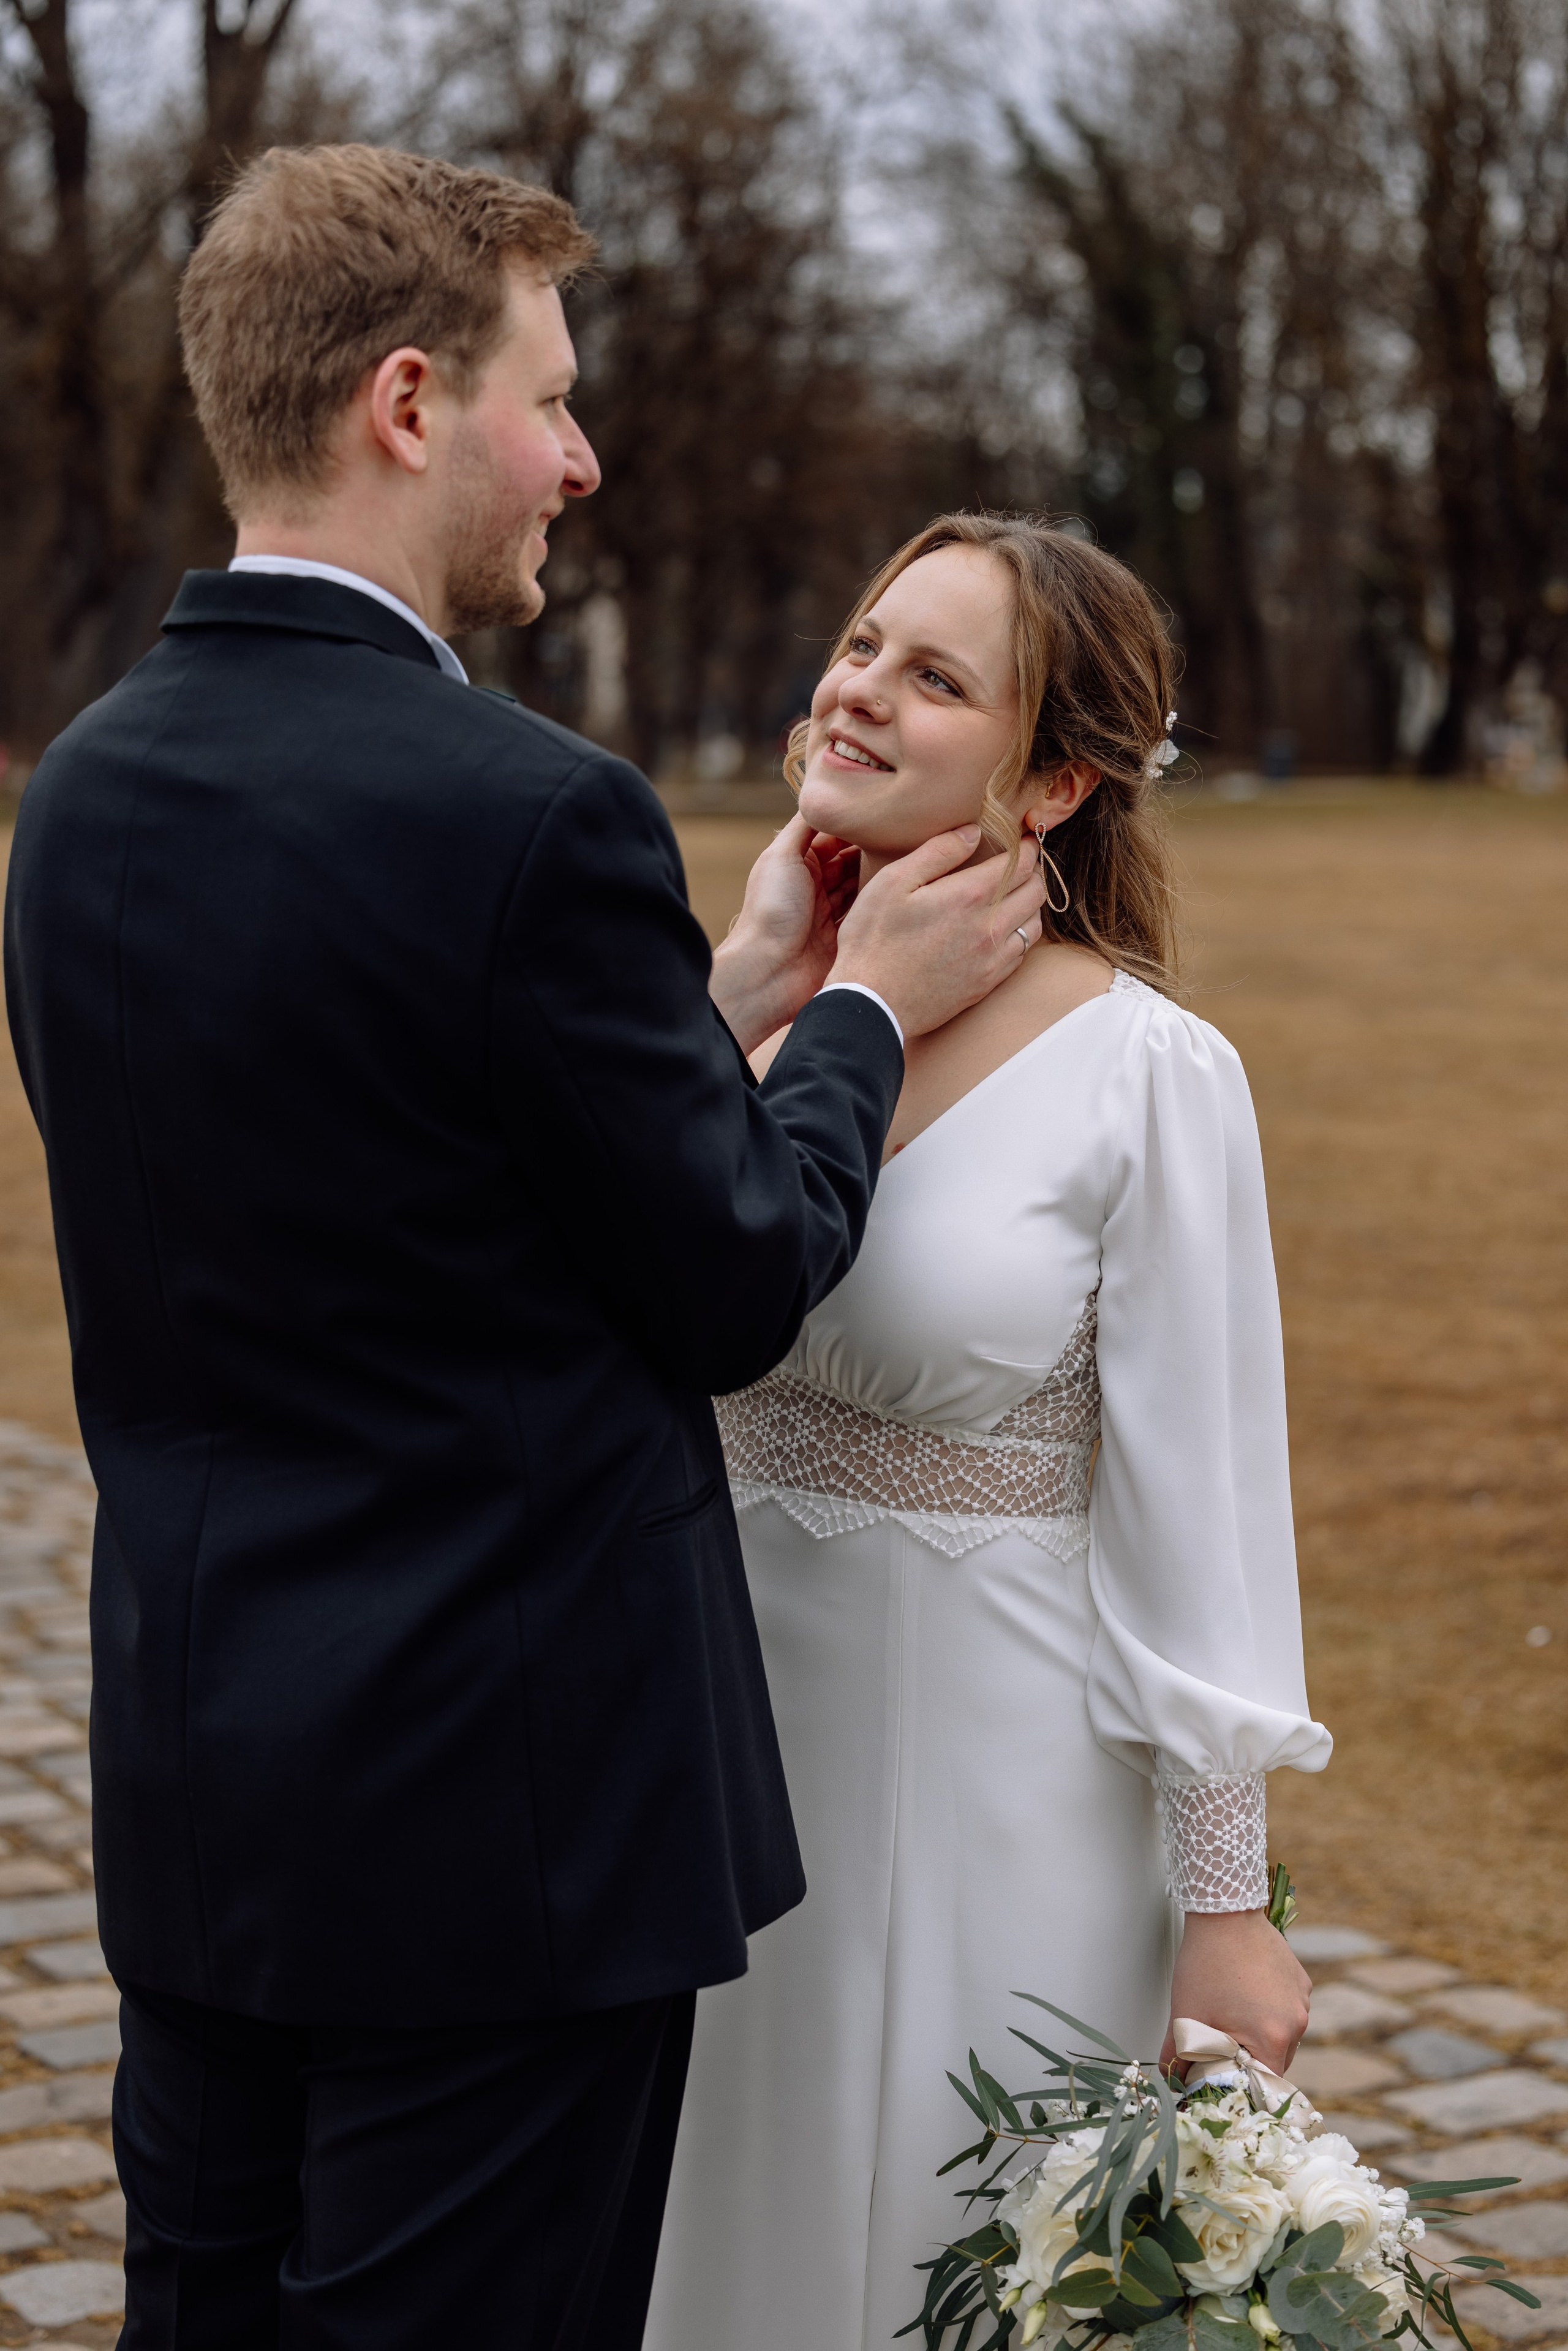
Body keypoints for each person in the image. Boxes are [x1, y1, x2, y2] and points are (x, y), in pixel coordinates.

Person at [2, 151, 1046, 2348]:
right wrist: (862, 1011)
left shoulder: (85, 790)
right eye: (548, 398)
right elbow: (736, 1269)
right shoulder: (529, 811)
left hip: (213, 1797)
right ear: (408, 402)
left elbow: (400, 1156)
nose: (580, 456)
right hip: (506, 1840)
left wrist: (719, 998)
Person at [644, 514, 1333, 2351]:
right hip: (709, 1768)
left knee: (947, 2248)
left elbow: (1203, 1514)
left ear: (1054, 783)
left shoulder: (1147, 1077)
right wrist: (743, 1000)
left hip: (1000, 1780)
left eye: (932, 673)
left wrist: (1223, 1908)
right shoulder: (745, 1012)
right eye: (865, 640)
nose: (856, 685)